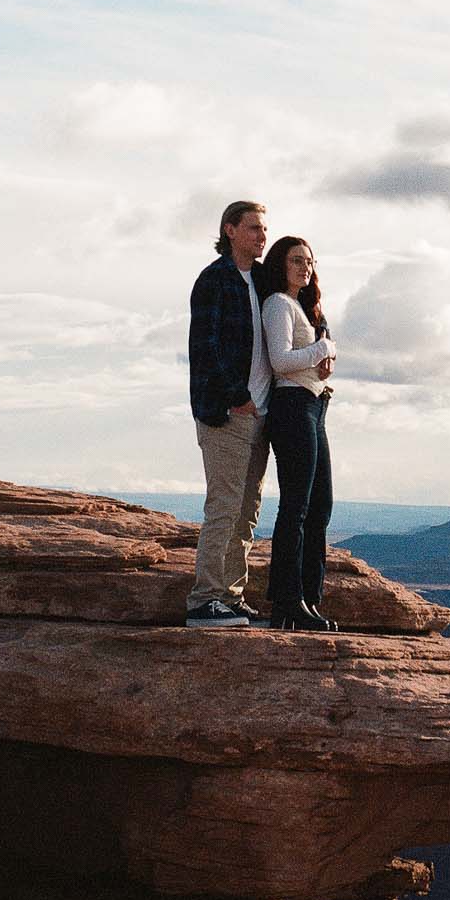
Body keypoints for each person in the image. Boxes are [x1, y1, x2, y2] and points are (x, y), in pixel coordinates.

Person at [184, 200, 273, 628]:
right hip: (226, 413)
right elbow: (206, 347)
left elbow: (303, 305)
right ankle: (204, 600)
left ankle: (231, 595)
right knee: (223, 504)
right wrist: (236, 395)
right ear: (230, 230)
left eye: (264, 229)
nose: (262, 236)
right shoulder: (215, 280)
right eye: (254, 228)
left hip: (259, 414)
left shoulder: (259, 280)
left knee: (246, 510)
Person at [256, 234, 339, 631]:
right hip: (292, 409)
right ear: (280, 264)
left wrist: (324, 358)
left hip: (314, 408)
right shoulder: (278, 304)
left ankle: (308, 597)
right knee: (297, 507)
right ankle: (288, 602)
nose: (304, 266)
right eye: (295, 260)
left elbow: (309, 359)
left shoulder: (305, 309)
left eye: (308, 260)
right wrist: (322, 351)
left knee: (320, 505)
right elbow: (280, 361)